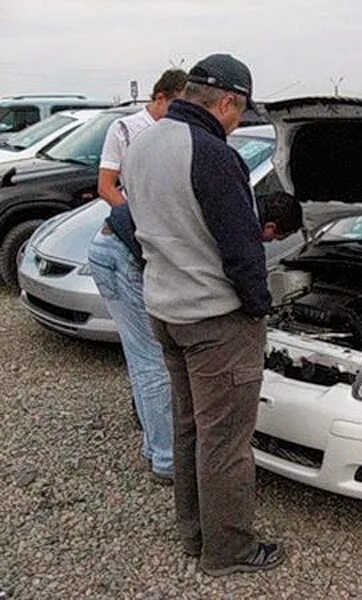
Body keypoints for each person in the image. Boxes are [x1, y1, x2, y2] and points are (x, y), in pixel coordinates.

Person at [124, 54, 303, 576]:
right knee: (226, 441)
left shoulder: (143, 142)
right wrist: (258, 308)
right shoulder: (212, 154)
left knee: (190, 429)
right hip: (214, 322)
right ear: (227, 102)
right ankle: (229, 551)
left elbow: (134, 224)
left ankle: (195, 533)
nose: (237, 123)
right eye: (239, 112)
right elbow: (243, 250)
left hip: (166, 310)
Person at [88, 68, 187, 484]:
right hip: (124, 249)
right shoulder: (128, 129)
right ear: (161, 97)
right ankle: (166, 460)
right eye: (179, 104)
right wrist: (140, 219)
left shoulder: (177, 133)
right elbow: (106, 185)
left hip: (129, 251)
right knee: (152, 364)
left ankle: (154, 443)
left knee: (145, 359)